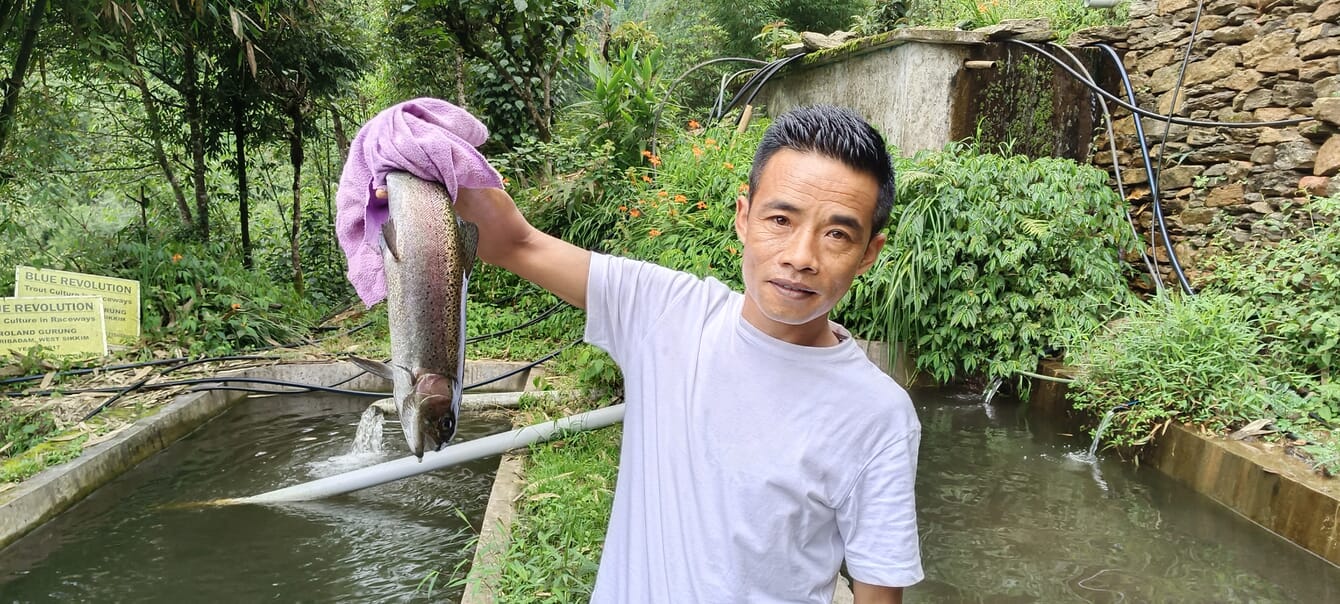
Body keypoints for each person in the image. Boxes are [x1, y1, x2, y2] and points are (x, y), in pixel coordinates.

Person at [452, 105, 922, 603]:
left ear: (869, 252)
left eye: (838, 234)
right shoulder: (665, 313)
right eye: (781, 219)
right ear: (744, 217)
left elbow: (877, 594)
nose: (801, 257)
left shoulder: (878, 416)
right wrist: (417, 164)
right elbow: (512, 241)